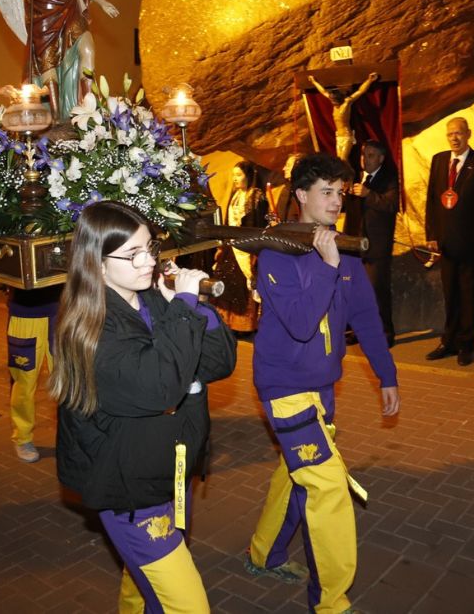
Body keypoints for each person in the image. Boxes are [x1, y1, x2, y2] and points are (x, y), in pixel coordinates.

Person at [53, 201, 236, 613]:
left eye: (150, 248)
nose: (147, 262)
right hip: (130, 487)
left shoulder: (151, 300)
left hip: (169, 468)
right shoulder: (89, 327)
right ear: (97, 265)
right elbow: (160, 388)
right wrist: (184, 310)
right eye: (132, 254)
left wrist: (195, 309)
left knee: (151, 589)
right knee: (187, 605)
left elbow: (218, 362)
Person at [244, 153, 399, 614]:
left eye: (340, 193)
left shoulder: (344, 251)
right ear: (301, 196)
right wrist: (327, 264)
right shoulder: (276, 251)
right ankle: (331, 603)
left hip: (323, 385)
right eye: (326, 192)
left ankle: (265, 553)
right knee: (328, 487)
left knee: (297, 475)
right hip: (284, 386)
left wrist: (386, 375)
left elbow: (366, 317)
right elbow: (300, 323)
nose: (336, 202)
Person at [424, 117, 474, 366]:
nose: (454, 138)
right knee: (451, 295)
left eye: (458, 133)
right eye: (450, 134)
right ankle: (449, 341)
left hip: (473, 243)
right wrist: (432, 235)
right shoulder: (438, 160)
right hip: (446, 244)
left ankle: (467, 344)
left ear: (468, 134)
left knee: (471, 295)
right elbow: (432, 201)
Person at [343, 139, 400, 347]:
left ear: (381, 158)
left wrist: (369, 195)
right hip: (355, 246)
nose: (365, 160)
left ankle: (385, 333)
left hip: (377, 247)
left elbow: (392, 205)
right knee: (357, 292)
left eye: (370, 155)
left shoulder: (389, 179)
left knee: (377, 291)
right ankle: (359, 331)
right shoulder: (357, 179)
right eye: (363, 155)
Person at [7, 285, 61, 463]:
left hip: (60, 312)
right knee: (24, 383)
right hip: (25, 314)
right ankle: (22, 438)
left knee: (66, 381)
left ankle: (70, 437)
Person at [214, 160, 269, 332]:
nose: (235, 179)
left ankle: (246, 325)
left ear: (249, 176)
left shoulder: (257, 196)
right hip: (233, 246)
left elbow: (258, 223)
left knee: (245, 283)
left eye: (238, 175)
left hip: (248, 247)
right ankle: (229, 323)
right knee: (227, 281)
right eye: (233, 176)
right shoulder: (235, 195)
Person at [308, 72, 378, 163]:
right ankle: (348, 176)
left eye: (334, 102)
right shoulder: (333, 102)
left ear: (339, 99)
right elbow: (323, 92)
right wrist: (314, 82)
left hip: (346, 136)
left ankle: (348, 177)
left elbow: (360, 91)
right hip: (339, 136)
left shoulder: (346, 103)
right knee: (339, 160)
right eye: (332, 101)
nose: (332, 103)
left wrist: (369, 80)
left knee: (343, 160)